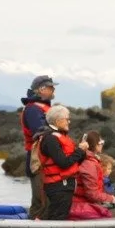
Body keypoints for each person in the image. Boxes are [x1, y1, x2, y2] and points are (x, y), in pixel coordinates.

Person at [36, 105, 89, 220]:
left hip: (64, 186)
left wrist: (82, 151)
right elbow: (63, 163)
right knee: (57, 217)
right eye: (67, 119)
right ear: (57, 121)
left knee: (60, 216)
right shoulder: (50, 139)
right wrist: (80, 150)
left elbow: (75, 161)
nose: (69, 122)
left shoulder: (62, 137)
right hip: (57, 187)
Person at [20, 75, 55, 216]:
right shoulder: (33, 110)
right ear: (41, 89)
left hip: (44, 158)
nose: (53, 90)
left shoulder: (39, 108)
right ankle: (35, 223)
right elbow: (40, 132)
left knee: (46, 198)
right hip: (37, 158)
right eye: (51, 87)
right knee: (40, 200)